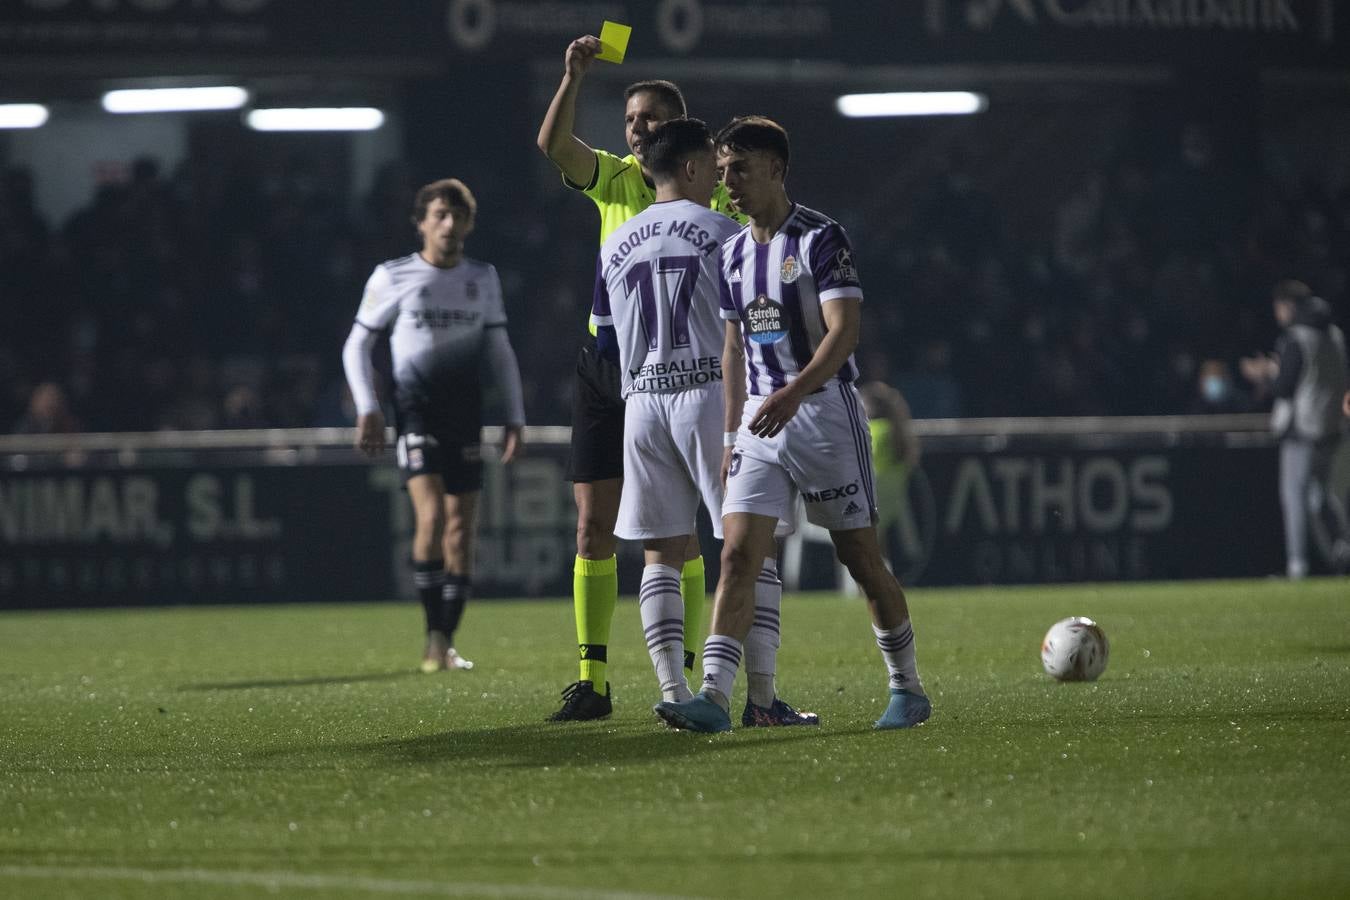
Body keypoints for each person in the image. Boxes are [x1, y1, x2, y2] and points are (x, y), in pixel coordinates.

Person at [655, 116, 931, 734]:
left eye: (741, 169)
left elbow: (844, 332)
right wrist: (731, 435)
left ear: (777, 169)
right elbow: (732, 350)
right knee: (737, 555)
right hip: (760, 422)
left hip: (823, 413)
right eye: (722, 171)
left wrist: (793, 392)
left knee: (860, 558)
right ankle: (714, 697)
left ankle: (907, 686)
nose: (728, 182)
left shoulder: (821, 239)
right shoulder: (730, 253)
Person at [535, 34, 742, 720]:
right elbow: (553, 145)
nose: (636, 128)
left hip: (680, 371)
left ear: (679, 129)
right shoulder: (618, 178)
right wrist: (574, 77)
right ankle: (592, 680)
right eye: (629, 119)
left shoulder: (717, 199)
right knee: (591, 526)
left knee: (678, 533)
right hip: (607, 364)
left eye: (649, 118)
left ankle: (687, 676)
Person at [590, 118, 816, 724]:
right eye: (714, 170)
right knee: (753, 549)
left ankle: (673, 693)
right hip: (712, 398)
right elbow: (756, 328)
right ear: (691, 168)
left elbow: (605, 339)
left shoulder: (614, 242)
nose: (721, 180)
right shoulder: (727, 233)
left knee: (661, 552)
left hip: (642, 401)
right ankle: (761, 698)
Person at [342, 178, 525, 671]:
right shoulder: (393, 276)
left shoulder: (482, 278)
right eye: (439, 215)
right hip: (415, 412)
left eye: (457, 216)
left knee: (461, 531)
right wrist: (369, 407)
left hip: (465, 413)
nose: (448, 224)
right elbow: (357, 345)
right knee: (432, 518)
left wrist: (514, 416)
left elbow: (500, 351)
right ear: (421, 223)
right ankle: (433, 636)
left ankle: (445, 641)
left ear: (469, 224)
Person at [1240, 281, 1349, 578]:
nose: (1278, 313)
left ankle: (1297, 565)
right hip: (1332, 426)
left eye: (1279, 307)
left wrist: (1266, 373)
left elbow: (1285, 386)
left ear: (1289, 305)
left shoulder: (1296, 337)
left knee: (1294, 496)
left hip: (1302, 427)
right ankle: (1343, 549)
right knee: (1321, 495)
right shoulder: (1334, 334)